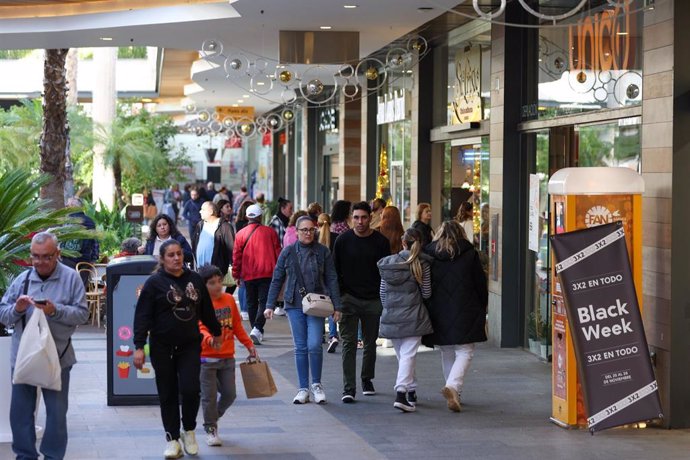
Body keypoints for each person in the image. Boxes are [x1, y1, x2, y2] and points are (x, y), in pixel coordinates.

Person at [0, 231, 89, 460]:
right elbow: (3, 314)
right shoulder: (22, 280)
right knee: (20, 414)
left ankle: (52, 456)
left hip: (58, 357)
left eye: (46, 257)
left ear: (57, 254)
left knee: (57, 415)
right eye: (35, 256)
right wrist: (18, 308)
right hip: (24, 357)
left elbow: (82, 315)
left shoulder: (71, 278)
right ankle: (25, 455)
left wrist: (54, 310)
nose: (40, 262)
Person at [133, 240, 223, 458]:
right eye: (171, 255)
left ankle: (188, 430)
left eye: (179, 254)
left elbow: (205, 309)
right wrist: (138, 346)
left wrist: (216, 332)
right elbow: (143, 315)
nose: (176, 258)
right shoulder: (154, 283)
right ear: (162, 259)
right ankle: (172, 439)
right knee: (168, 393)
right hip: (161, 346)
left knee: (191, 389)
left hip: (190, 344)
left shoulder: (194, 279)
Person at [264, 216, 342, 404]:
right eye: (304, 230)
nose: (308, 233)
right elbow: (277, 278)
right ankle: (303, 388)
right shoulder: (288, 252)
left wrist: (337, 306)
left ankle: (316, 384)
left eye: (311, 229)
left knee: (314, 344)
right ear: (296, 232)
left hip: (316, 304)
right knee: (300, 347)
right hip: (294, 304)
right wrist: (269, 304)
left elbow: (332, 278)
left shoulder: (323, 251)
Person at [424, 220, 488, 413]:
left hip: (439, 308)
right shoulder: (469, 253)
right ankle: (453, 387)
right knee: (465, 351)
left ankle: (453, 390)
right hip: (465, 307)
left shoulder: (429, 254)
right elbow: (480, 283)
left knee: (447, 350)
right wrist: (483, 306)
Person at [332, 201, 390, 403]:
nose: (360, 221)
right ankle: (349, 388)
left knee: (370, 343)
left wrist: (384, 299)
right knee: (348, 343)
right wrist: (337, 298)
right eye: (356, 217)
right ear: (351, 218)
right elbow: (334, 271)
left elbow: (386, 273)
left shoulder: (381, 242)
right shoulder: (342, 241)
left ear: (370, 218)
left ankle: (367, 379)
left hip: (373, 299)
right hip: (348, 298)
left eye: (363, 217)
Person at [197, 265, 256, 447]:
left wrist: (249, 345)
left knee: (230, 394)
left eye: (219, 281)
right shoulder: (200, 303)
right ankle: (211, 428)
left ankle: (212, 418)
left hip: (227, 358)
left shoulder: (229, 299)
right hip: (206, 360)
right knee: (209, 396)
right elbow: (199, 327)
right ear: (203, 286)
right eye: (212, 283)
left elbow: (237, 326)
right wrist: (208, 340)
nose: (217, 286)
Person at [377, 227, 433, 412]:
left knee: (404, 356)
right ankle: (401, 392)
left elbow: (383, 294)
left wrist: (390, 308)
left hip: (392, 315)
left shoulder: (388, 264)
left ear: (403, 243)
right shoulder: (421, 264)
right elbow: (426, 292)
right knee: (408, 355)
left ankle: (411, 390)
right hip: (413, 315)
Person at [232, 203, 281, 345]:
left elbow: (236, 257)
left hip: (248, 274)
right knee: (264, 302)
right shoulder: (270, 232)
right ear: (260, 216)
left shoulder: (240, 234)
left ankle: (256, 328)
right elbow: (278, 253)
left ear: (247, 217)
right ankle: (257, 328)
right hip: (267, 273)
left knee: (251, 302)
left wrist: (236, 275)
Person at [191, 201, 235, 278]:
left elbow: (232, 249)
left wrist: (233, 268)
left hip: (217, 272)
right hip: (200, 271)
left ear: (211, 212)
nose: (200, 211)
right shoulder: (200, 225)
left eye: (203, 209)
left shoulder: (225, 226)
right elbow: (194, 244)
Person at [61, 196, 99, 270]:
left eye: (67, 205)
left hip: (69, 261)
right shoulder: (90, 221)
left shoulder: (69, 221)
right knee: (82, 281)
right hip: (85, 262)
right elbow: (95, 243)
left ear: (72, 207)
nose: (66, 207)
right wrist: (93, 259)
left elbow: (63, 242)